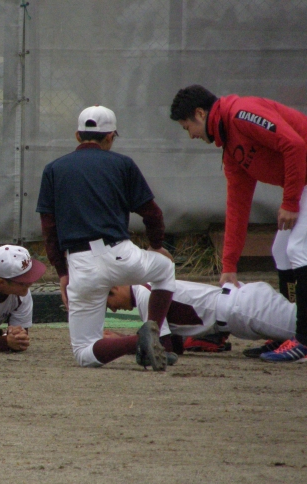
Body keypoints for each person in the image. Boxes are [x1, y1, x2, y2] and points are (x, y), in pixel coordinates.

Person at [170, 84, 307, 362]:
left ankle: (304, 340)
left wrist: (290, 202)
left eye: (188, 127)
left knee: (297, 249)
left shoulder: (241, 114)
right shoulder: (231, 147)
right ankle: (292, 331)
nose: (191, 135)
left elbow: (295, 145)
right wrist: (229, 266)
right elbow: (237, 205)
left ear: (200, 113)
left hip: (302, 186)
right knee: (282, 251)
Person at [36, 105, 176, 370]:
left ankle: (136, 342)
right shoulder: (123, 164)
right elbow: (153, 213)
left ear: (77, 136)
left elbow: (49, 229)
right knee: (165, 269)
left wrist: (63, 273)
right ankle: (152, 336)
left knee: (84, 353)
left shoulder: (53, 169)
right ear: (111, 137)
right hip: (122, 253)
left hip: (81, 264)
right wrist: (156, 245)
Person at [106, 280, 296, 360]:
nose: (113, 309)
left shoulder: (144, 294)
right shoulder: (145, 289)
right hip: (241, 310)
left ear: (115, 287)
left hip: (246, 308)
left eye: (109, 303)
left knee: (302, 331)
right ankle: (281, 340)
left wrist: (120, 343)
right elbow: (174, 346)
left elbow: (164, 349)